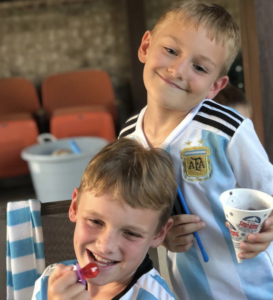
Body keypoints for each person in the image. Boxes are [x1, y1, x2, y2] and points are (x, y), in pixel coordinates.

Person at [119, 1, 273, 299]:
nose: (177, 70)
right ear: (146, 46)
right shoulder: (127, 141)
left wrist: (269, 229)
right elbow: (133, 221)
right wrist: (161, 238)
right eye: (171, 51)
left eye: (199, 67)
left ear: (216, 85)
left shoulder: (228, 130)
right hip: (187, 289)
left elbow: (269, 193)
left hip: (257, 288)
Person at [32, 138, 177, 300]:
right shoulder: (50, 282)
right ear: (74, 207)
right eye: (95, 221)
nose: (106, 246)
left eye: (131, 233)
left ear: (158, 233)